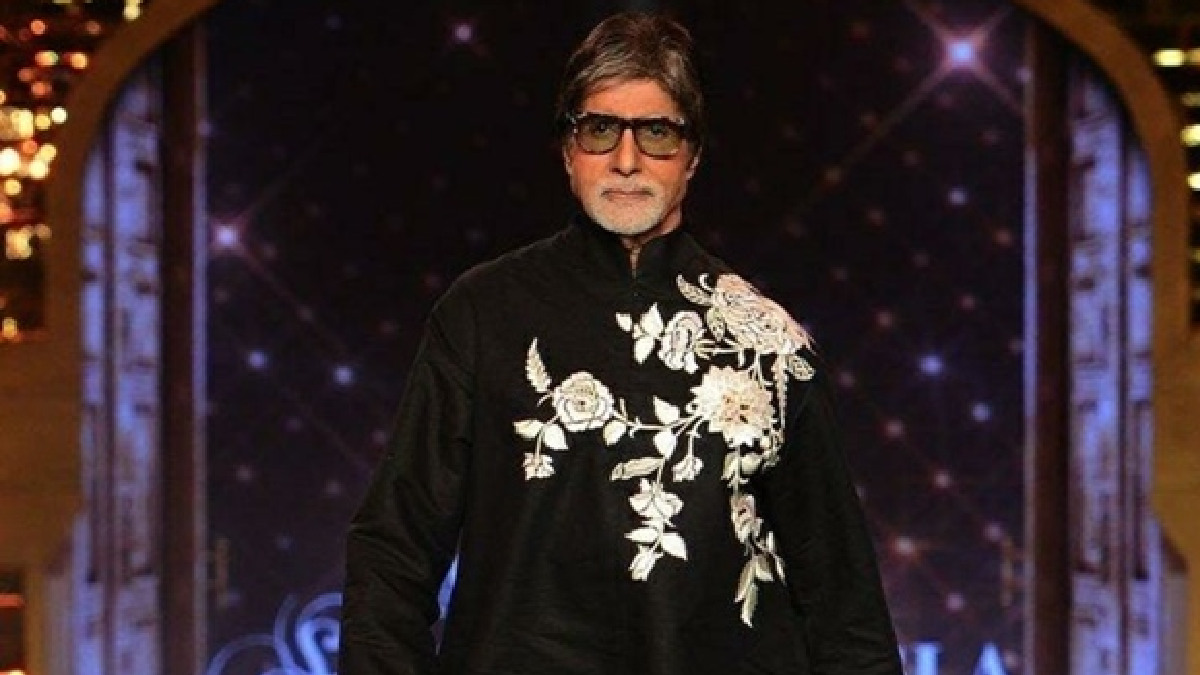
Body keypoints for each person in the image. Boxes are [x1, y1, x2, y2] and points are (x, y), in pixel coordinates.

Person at [339, 11, 903, 675]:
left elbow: (844, 608)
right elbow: (394, 550)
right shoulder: (482, 315)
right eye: (600, 129)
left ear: (693, 155)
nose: (627, 160)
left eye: (657, 132)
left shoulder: (769, 344)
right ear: (568, 150)